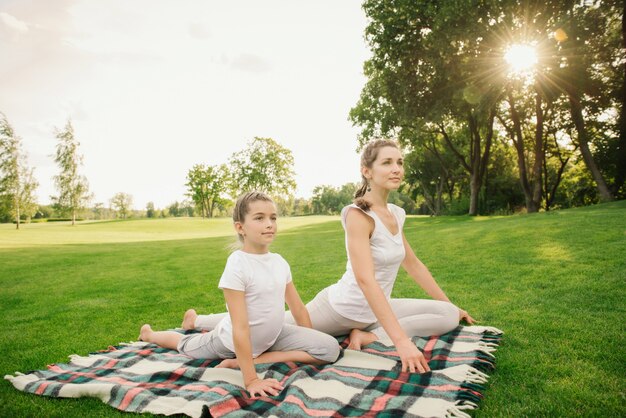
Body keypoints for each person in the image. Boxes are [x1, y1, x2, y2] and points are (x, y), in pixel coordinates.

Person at [186, 139, 475, 374]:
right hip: (341, 308)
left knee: (447, 315)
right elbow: (365, 279)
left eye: (399, 161)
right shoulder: (357, 215)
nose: (397, 168)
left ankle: (366, 337)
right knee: (274, 322)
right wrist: (401, 341)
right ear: (367, 171)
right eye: (387, 162)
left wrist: (451, 304)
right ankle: (201, 321)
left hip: (375, 312)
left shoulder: (397, 214)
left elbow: (412, 264)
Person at [140, 191, 340, 398]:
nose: (269, 223)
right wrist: (251, 379)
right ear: (240, 227)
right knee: (185, 346)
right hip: (229, 341)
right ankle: (150, 334)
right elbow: (241, 327)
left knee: (330, 349)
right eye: (259, 218)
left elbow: (297, 307)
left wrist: (309, 338)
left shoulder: (279, 262)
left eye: (273, 218)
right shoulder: (238, 265)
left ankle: (240, 354)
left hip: (272, 337)